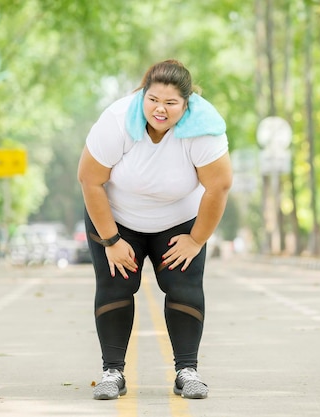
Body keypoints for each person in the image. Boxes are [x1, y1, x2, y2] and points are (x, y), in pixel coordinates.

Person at [77, 59, 232, 400]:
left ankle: (187, 371)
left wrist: (196, 240)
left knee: (184, 285)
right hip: (116, 219)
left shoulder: (203, 129)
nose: (160, 109)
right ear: (143, 95)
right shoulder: (117, 121)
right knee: (116, 284)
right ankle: (112, 372)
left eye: (171, 103)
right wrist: (111, 240)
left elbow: (219, 186)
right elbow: (90, 180)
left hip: (178, 222)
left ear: (186, 104)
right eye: (153, 100)